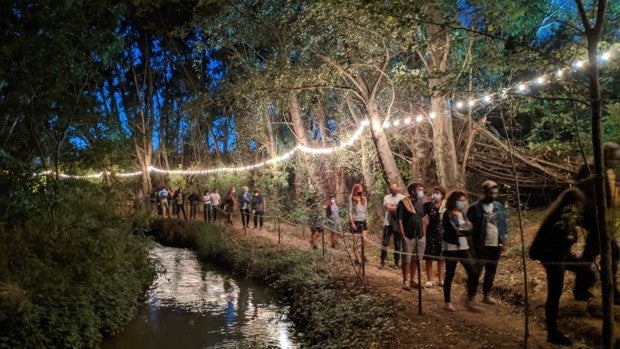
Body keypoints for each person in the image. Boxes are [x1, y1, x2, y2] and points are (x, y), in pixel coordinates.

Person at [530, 188, 585, 346]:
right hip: (552, 258)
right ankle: (552, 333)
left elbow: (572, 237)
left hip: (561, 255)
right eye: (576, 204)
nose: (578, 208)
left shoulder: (568, 217)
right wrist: (568, 238)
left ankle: (581, 293)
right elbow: (555, 239)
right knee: (555, 294)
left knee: (585, 269)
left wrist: (572, 236)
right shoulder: (557, 218)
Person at [574, 141, 620, 303]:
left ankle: (582, 289)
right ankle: (609, 293)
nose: (615, 161)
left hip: (603, 219)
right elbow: (581, 192)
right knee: (609, 252)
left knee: (594, 253)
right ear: (606, 155)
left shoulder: (606, 169)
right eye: (614, 158)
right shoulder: (591, 168)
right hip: (594, 219)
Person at [467, 180, 508, 305]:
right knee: (476, 272)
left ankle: (486, 295)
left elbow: (503, 224)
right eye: (491, 190)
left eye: (495, 190)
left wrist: (504, 241)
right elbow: (468, 228)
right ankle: (471, 296)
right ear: (484, 191)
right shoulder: (474, 208)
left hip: (495, 244)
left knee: (491, 271)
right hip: (481, 245)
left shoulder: (498, 206)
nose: (494, 192)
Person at [442, 190, 480, 312]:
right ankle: (447, 302)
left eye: (464, 201)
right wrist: (465, 228)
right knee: (450, 274)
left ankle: (470, 300)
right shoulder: (447, 214)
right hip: (451, 248)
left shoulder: (462, 213)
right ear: (453, 201)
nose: (462, 203)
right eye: (460, 201)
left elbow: (471, 228)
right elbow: (454, 231)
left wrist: (463, 228)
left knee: (473, 273)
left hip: (464, 247)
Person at [396, 182, 426, 290]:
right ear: (412, 190)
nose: (421, 192)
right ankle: (405, 281)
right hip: (408, 236)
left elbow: (422, 219)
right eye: (419, 189)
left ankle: (413, 280)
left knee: (416, 259)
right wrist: (403, 235)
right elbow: (399, 220)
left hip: (420, 235)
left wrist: (424, 235)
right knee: (407, 260)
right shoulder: (403, 202)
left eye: (422, 189)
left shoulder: (420, 203)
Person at [423, 186, 446, 288]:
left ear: (442, 194)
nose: (435, 194)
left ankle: (441, 280)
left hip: (443, 234)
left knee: (441, 258)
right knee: (429, 257)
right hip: (430, 233)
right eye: (434, 192)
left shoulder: (446, 206)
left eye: (437, 192)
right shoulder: (428, 205)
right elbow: (421, 216)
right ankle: (429, 280)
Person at [381, 183, 405, 269]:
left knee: (397, 244)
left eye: (395, 187)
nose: (393, 189)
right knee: (385, 243)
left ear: (398, 188)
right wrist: (397, 208)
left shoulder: (402, 198)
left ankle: (396, 262)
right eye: (391, 188)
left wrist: (393, 207)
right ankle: (382, 261)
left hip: (398, 224)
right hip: (388, 223)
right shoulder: (386, 197)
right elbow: (387, 208)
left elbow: (403, 210)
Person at [348, 183, 369, 265]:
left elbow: (365, 210)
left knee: (365, 239)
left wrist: (368, 218)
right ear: (355, 190)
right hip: (356, 221)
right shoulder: (351, 199)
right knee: (355, 241)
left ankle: (362, 253)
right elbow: (350, 211)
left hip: (363, 220)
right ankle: (356, 258)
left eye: (361, 189)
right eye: (358, 189)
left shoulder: (364, 199)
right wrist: (352, 222)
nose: (360, 191)